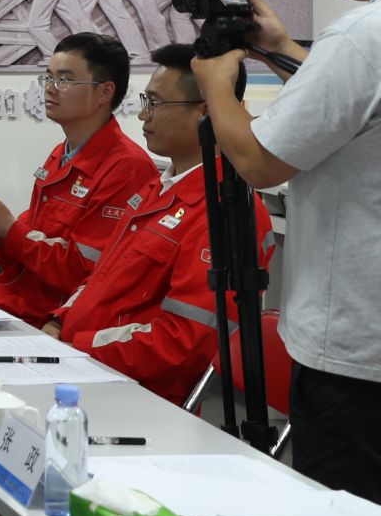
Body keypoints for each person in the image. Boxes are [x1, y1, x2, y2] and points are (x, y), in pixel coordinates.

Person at [189, 0, 381, 501]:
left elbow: (258, 159)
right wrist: (282, 49)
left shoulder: (361, 37)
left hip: (355, 357)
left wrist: (214, 84)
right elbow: (353, 113)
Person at [45, 44, 272, 404]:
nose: (142, 115)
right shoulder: (157, 188)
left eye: (154, 103)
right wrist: (58, 321)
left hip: (136, 398)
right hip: (86, 370)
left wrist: (77, 347)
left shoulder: (225, 209)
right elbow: (100, 279)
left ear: (206, 111)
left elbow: (185, 341)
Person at [0, 33, 158, 326]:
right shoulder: (61, 154)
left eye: (64, 80)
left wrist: (8, 230)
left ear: (105, 92)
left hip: (47, 323)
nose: (50, 89)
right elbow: (30, 249)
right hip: (10, 305)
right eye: (48, 78)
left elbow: (87, 275)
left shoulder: (127, 167)